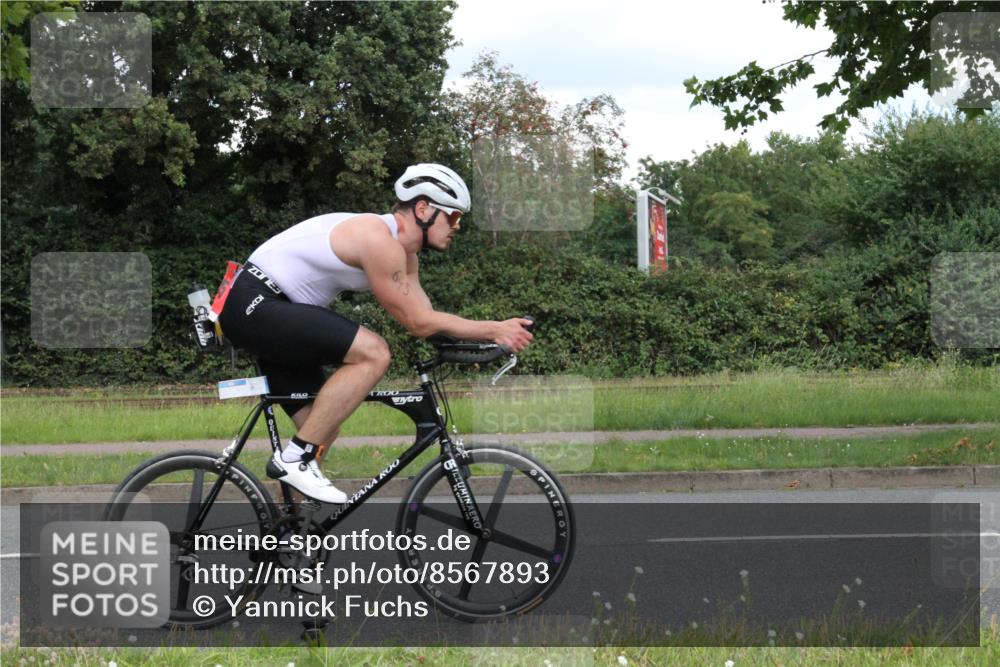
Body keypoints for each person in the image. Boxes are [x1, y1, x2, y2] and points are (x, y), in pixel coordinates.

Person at [219, 163, 534, 503]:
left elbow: (428, 321)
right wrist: (495, 329)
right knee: (374, 352)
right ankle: (293, 460)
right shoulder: (377, 239)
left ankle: (286, 535)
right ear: (423, 209)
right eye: (453, 217)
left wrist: (483, 342)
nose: (457, 227)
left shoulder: (406, 256)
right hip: (254, 301)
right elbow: (417, 321)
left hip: (274, 313)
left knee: (322, 427)